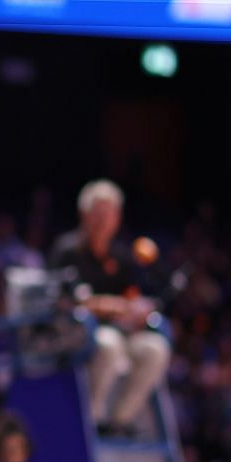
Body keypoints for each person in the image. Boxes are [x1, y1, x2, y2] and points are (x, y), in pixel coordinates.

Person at [48, 180, 168, 433]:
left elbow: (132, 298)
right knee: (109, 344)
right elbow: (75, 300)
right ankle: (90, 420)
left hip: (122, 332)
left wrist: (138, 309)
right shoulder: (67, 250)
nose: (104, 220)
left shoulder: (121, 255)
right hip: (78, 334)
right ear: (84, 215)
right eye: (98, 213)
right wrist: (114, 306)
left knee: (155, 349)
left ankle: (119, 421)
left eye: (110, 213)